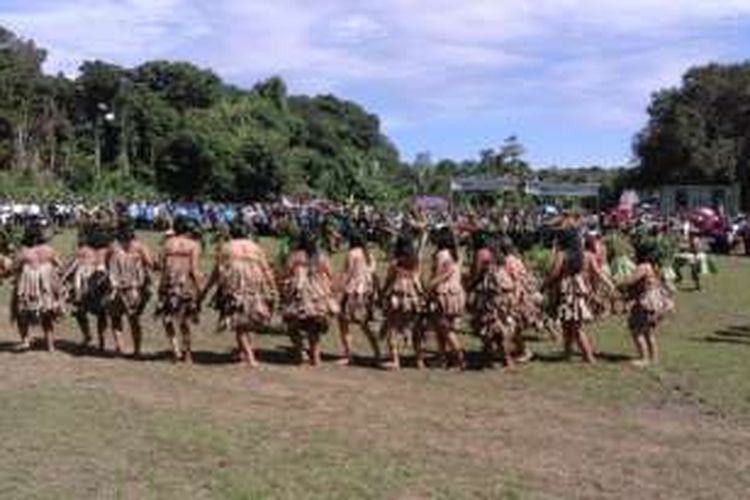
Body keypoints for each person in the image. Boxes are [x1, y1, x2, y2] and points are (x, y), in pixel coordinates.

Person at [202, 221, 277, 368]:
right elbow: (266, 269)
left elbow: (217, 271)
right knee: (248, 320)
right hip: (255, 283)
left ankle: (250, 358)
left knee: (239, 322)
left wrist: (206, 290)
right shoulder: (255, 247)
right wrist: (273, 288)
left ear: (231, 233)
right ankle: (244, 352)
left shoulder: (226, 247)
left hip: (235, 286)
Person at [544, 224, 604, 363]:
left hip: (567, 288)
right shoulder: (580, 253)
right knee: (568, 323)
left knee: (575, 327)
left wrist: (544, 284)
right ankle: (567, 353)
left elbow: (555, 272)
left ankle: (589, 357)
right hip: (575, 287)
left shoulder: (563, 254)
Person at [281, 231, 336, 366]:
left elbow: (286, 273)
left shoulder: (295, 256)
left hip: (299, 294)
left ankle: (301, 353)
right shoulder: (322, 256)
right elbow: (330, 274)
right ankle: (316, 357)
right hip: (318, 294)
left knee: (292, 325)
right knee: (314, 327)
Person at [155, 216, 203, 363]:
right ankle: (187, 353)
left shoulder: (167, 244)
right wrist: (200, 289)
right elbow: (194, 270)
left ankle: (175, 349)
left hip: (168, 284)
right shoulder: (194, 245)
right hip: (186, 285)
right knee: (185, 321)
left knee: (167, 318)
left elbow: (160, 266)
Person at [619, 242, 675, 366]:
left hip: (646, 301)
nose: (632, 255)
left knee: (636, 330)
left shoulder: (643, 267)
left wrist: (619, 282)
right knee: (648, 331)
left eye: (633, 252)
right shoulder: (652, 266)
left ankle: (644, 358)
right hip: (654, 300)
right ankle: (653, 359)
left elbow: (630, 281)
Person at [11, 223, 64, 351]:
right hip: (45, 288)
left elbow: (14, 268)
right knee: (46, 315)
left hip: (28, 289)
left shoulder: (24, 252)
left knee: (21, 313)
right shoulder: (48, 250)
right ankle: (50, 345)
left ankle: (25, 340)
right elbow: (59, 265)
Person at [65, 224, 117, 352]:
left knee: (83, 312)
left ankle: (89, 336)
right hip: (95, 286)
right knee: (100, 314)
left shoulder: (86, 250)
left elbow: (71, 267)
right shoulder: (106, 250)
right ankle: (100, 342)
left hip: (89, 287)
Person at [108, 220, 153, 358]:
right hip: (135, 288)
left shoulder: (113, 247)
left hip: (117, 286)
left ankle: (119, 347)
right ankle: (137, 350)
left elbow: (107, 263)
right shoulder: (139, 246)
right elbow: (150, 263)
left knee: (116, 317)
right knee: (134, 319)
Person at [471, 236, 518, 368]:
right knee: (499, 327)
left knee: (490, 326)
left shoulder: (482, 253)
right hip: (503, 294)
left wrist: (470, 286)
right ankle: (496, 358)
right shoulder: (500, 257)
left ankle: (499, 358)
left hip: (492, 294)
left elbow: (477, 273)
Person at [336, 230, 380, 365]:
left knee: (343, 323)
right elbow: (372, 271)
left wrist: (338, 289)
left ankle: (348, 354)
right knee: (365, 325)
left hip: (352, 291)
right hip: (366, 292)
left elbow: (346, 273)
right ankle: (377, 353)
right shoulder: (369, 255)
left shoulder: (352, 253)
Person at [380, 234, 425, 370]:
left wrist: (382, 294)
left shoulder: (395, 263)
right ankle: (419, 360)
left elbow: (389, 280)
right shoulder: (416, 262)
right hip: (413, 298)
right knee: (416, 328)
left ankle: (395, 360)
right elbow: (419, 279)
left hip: (398, 298)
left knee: (392, 328)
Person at [426, 227, 466, 369]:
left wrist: (428, 288)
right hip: (457, 291)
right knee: (441, 328)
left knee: (445, 328)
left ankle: (459, 357)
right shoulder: (456, 254)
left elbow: (437, 275)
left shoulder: (441, 254)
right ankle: (442, 358)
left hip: (444, 292)